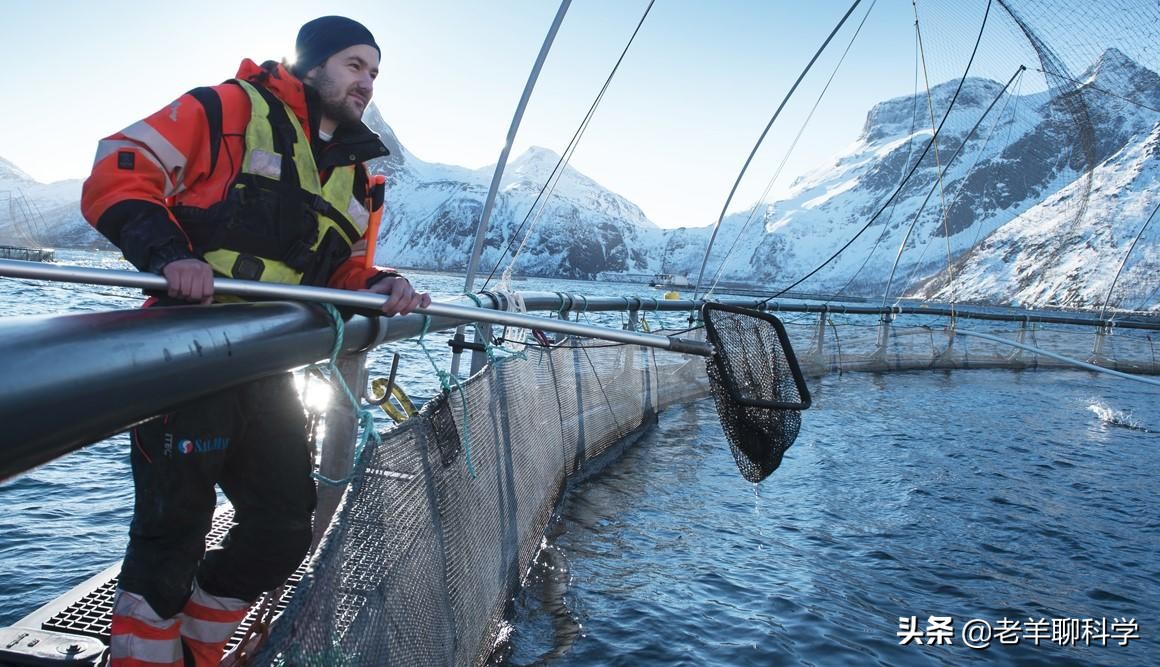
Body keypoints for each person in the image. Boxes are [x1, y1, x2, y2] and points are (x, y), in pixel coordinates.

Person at [81, 16, 430, 666]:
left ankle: (194, 651)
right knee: (171, 536)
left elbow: (342, 271)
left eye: (375, 72)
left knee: (284, 526)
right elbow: (119, 169)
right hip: (186, 351)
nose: (367, 83)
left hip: (269, 364)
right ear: (313, 64)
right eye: (354, 65)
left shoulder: (358, 175)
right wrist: (169, 255)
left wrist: (382, 283)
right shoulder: (228, 108)